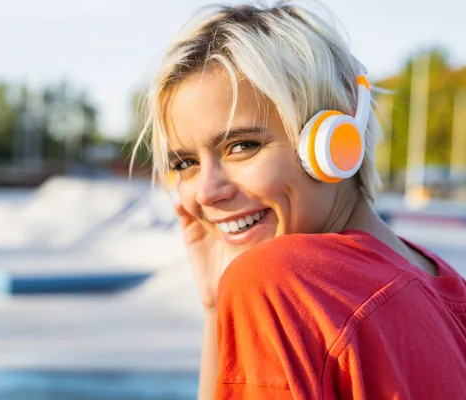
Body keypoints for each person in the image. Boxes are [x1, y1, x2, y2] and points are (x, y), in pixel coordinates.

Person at [132, 1, 466, 399]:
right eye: (185, 162)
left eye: (242, 146)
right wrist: (217, 310)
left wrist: (248, 287)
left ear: (335, 140)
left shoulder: (278, 283)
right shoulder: (446, 286)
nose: (205, 192)